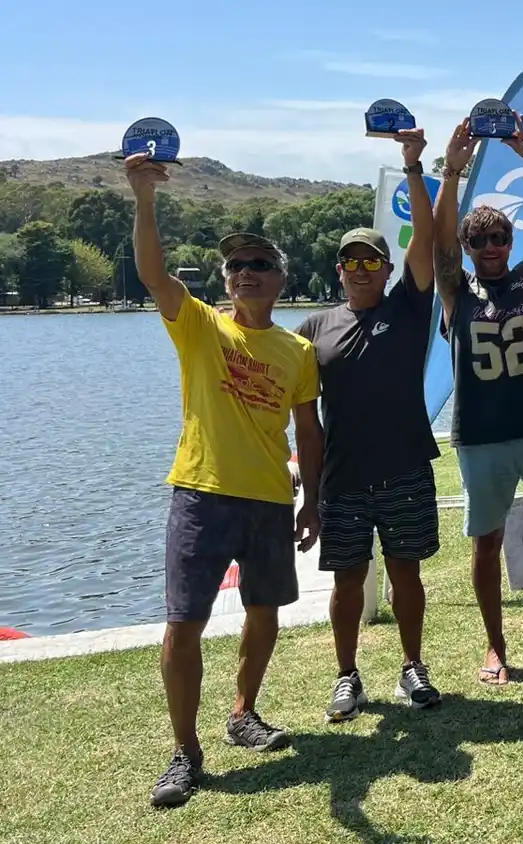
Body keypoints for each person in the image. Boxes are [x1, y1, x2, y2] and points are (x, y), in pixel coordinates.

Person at [126, 154, 321, 808]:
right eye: (235, 266)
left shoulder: (297, 352)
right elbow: (153, 275)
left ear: (280, 278)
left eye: (258, 264)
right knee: (183, 625)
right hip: (201, 495)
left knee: (263, 617)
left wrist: (312, 502)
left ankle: (244, 712)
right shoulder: (203, 326)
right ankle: (186, 751)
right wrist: (144, 197)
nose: (245, 274)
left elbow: (309, 433)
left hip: (270, 499)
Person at [296, 128, 444, 723]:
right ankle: (348, 676)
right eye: (352, 261)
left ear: (386, 270)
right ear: (339, 270)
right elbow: (303, 419)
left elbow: (428, 242)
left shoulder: (409, 308)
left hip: (405, 466)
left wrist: (415, 165)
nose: (361, 270)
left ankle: (413, 666)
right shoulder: (312, 329)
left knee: (407, 572)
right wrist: (310, 489)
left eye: (372, 261)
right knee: (347, 580)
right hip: (345, 476)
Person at [432, 119, 523, 687]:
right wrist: (453, 169)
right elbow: (438, 250)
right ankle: (496, 644)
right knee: (486, 540)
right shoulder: (457, 290)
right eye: (478, 241)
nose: (490, 248)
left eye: (499, 238)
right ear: (468, 247)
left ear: (511, 241)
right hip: (480, 436)